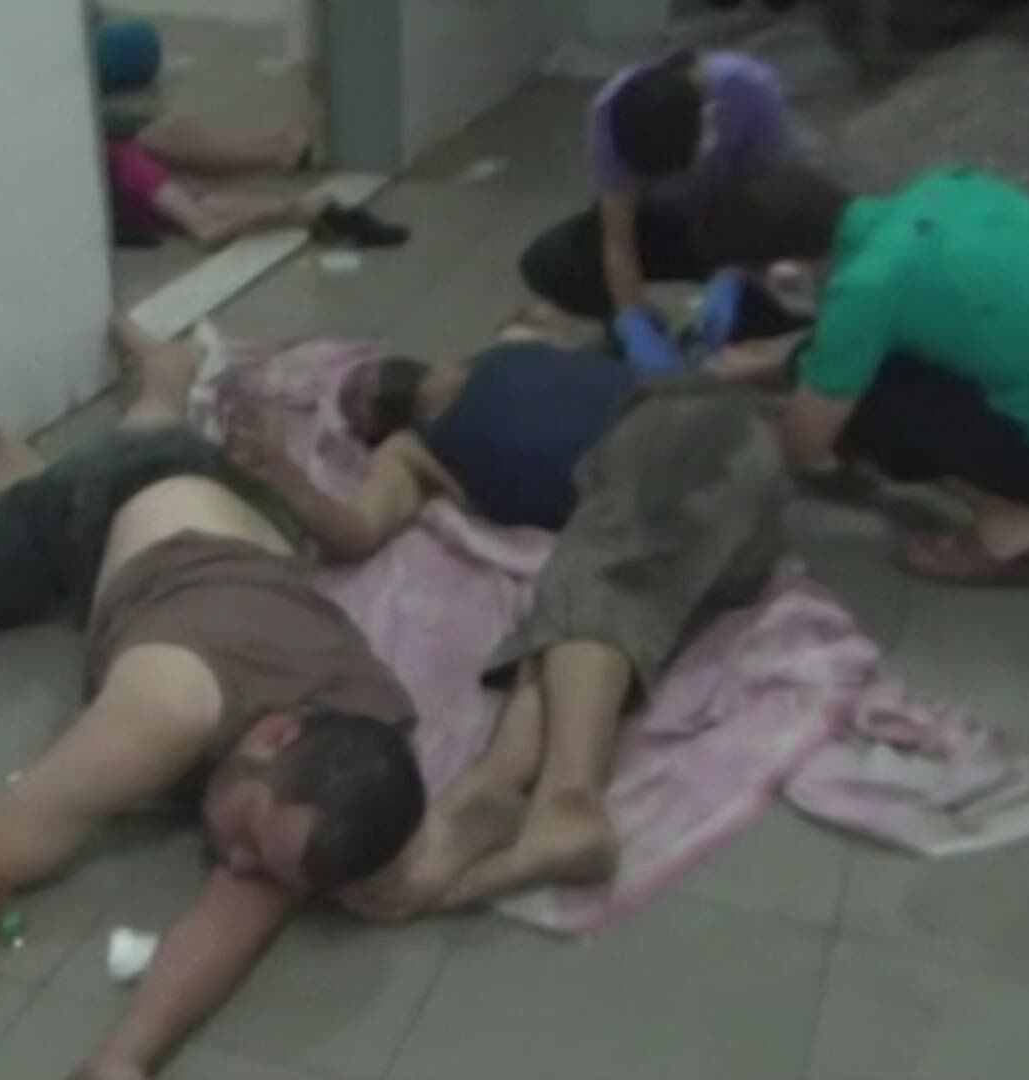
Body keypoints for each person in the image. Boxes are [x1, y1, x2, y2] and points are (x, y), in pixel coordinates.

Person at [0, 318, 427, 1080]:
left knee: (163, 440)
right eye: (247, 838)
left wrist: (122, 1063)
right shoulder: (169, 710)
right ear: (275, 735)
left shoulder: (363, 755)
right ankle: (16, 480)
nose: (235, 861)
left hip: (246, 512)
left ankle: (164, 382)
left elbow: (246, 905)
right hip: (113, 500)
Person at [226, 331, 788, 914]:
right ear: (369, 432)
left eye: (360, 379)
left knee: (592, 576)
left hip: (693, 425)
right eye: (351, 403)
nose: (360, 391)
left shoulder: (503, 350)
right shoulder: (412, 454)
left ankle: (568, 800)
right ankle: (489, 790)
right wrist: (284, 476)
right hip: (705, 525)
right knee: (557, 624)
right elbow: (356, 530)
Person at [701, 162, 1029, 586]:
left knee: (875, 402)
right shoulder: (947, 187)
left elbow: (806, 448)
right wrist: (789, 358)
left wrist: (783, 419)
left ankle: (1016, 534)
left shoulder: (866, 289)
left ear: (784, 272)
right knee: (885, 360)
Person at [517, 48, 795, 372]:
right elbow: (618, 237)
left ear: (708, 121)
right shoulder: (613, 113)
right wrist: (633, 318)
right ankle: (637, 335)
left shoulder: (751, 89)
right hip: (658, 223)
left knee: (801, 283)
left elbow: (773, 198)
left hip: (735, 219)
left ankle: (725, 331)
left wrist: (735, 272)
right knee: (554, 262)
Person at [103, 108, 408, 251]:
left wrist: (296, 211)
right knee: (190, 189)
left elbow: (206, 211)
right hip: (120, 175)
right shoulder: (135, 169)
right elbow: (206, 227)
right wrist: (290, 211)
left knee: (196, 194)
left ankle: (279, 155)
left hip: (122, 180)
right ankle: (279, 155)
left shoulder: (139, 174)